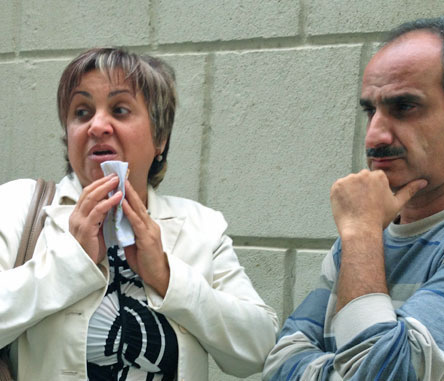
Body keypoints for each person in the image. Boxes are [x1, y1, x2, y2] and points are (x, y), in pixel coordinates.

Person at [0, 48, 278, 380]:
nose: (97, 126)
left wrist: (166, 277)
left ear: (160, 136)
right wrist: (69, 265)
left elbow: (261, 351)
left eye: (119, 110)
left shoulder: (202, 228)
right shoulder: (19, 206)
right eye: (82, 112)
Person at [263, 15, 444, 381]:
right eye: (370, 110)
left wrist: (359, 233)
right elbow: (278, 365)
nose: (374, 136)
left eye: (404, 107)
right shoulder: (366, 238)